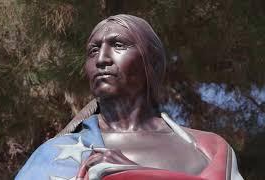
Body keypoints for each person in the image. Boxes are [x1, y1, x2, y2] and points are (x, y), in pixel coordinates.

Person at [15, 14, 244, 180]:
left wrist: (136, 174)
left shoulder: (211, 150)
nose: (102, 59)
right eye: (93, 51)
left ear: (152, 63)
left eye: (118, 44)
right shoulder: (54, 155)